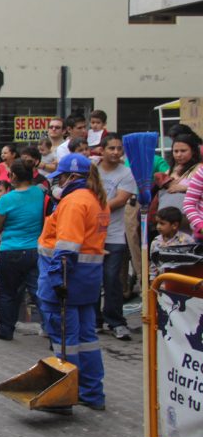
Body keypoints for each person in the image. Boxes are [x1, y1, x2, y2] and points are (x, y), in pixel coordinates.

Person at [37, 153, 110, 412]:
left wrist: (57, 279)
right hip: (87, 282)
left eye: (61, 177)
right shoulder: (97, 200)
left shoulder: (73, 202)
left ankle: (64, 396)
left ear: (72, 176)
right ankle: (92, 392)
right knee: (87, 338)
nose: (59, 182)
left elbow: (66, 246)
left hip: (65, 281)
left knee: (65, 341)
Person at [0, 159, 46, 340]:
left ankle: (6, 329)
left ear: (13, 176)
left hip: (10, 250)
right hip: (34, 250)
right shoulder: (39, 193)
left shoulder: (6, 199)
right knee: (39, 292)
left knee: (8, 292)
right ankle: (54, 332)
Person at [96, 134, 137, 341]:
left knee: (111, 278)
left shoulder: (127, 173)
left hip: (114, 234)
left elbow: (121, 200)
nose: (115, 152)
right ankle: (94, 320)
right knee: (92, 277)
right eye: (111, 148)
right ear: (102, 150)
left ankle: (116, 321)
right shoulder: (92, 169)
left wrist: (91, 208)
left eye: (119, 149)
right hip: (90, 235)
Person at [156, 133, 202, 235]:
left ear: (193, 151)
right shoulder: (170, 170)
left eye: (183, 151)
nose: (178, 154)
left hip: (189, 221)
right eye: (175, 151)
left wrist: (184, 188)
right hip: (167, 223)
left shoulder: (199, 169)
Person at [150, 207, 195, 281]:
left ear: (174, 225)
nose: (158, 226)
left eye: (162, 223)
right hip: (161, 283)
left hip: (181, 281)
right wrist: (152, 280)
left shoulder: (187, 241)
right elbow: (153, 265)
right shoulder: (156, 242)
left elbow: (192, 264)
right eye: (157, 223)